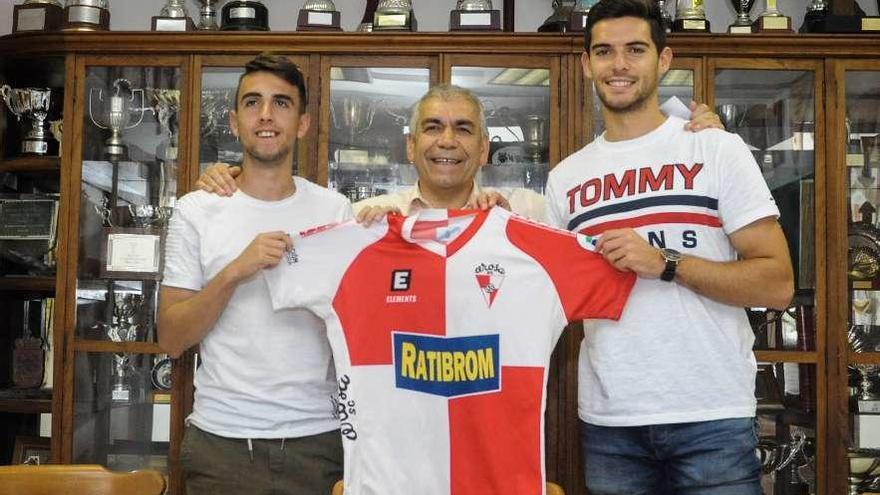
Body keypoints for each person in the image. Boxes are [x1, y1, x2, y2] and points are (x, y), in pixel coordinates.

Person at [544, 1, 795, 494]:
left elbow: (778, 282)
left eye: (635, 50)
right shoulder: (565, 178)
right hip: (610, 421)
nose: (618, 65)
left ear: (663, 60)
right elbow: (552, 296)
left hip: (711, 415)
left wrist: (666, 263)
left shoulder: (715, 149)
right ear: (586, 65)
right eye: (604, 52)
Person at [157, 54, 349, 495]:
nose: (266, 115)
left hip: (317, 442)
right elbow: (170, 337)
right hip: (222, 446)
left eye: (282, 103)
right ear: (234, 121)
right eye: (252, 103)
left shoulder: (334, 211)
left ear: (302, 123)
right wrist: (234, 273)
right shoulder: (196, 211)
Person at [195, 85, 722, 222]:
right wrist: (230, 177)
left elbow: (612, 228)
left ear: (484, 148)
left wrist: (689, 134)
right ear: (410, 145)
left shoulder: (533, 212)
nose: (447, 141)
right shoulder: (363, 219)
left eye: (463, 129)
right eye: (433, 128)